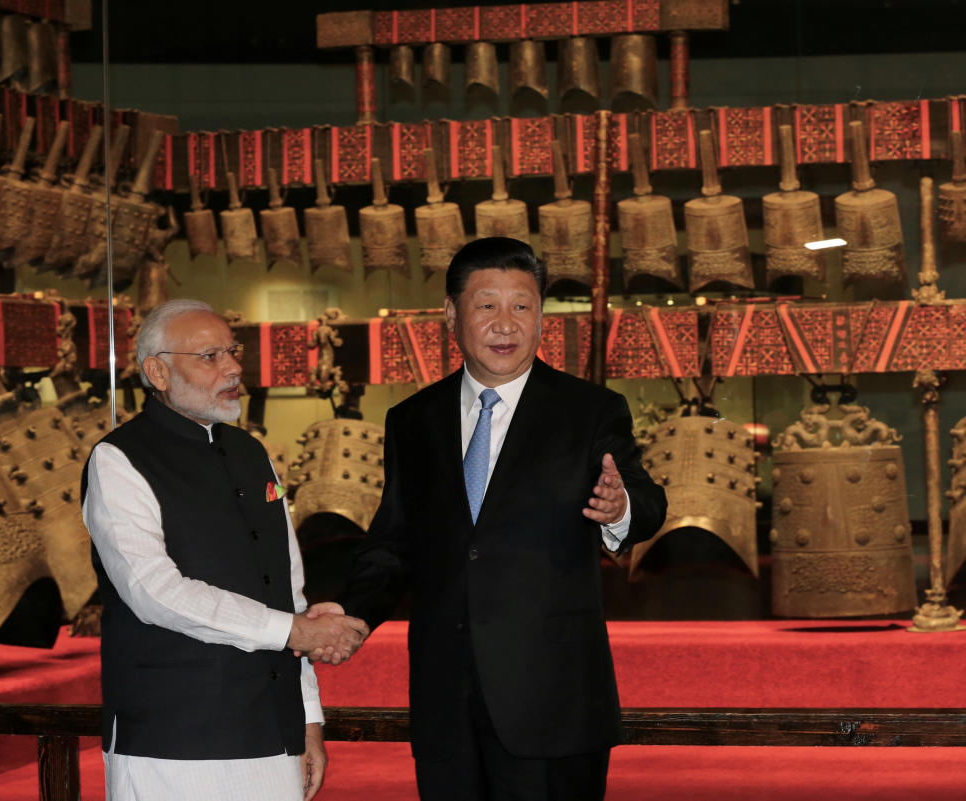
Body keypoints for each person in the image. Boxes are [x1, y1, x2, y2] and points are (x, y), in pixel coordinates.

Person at [310, 238, 668, 800]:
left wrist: (619, 510)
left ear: (541, 317)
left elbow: (647, 502)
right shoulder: (413, 420)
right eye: (487, 305)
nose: (506, 323)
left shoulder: (589, 410)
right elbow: (394, 540)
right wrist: (355, 615)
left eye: (522, 306)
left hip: (551, 701)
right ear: (451, 313)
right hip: (446, 700)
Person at [82, 298, 368, 801]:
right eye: (210, 356)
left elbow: (288, 591)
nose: (234, 367)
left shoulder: (250, 451)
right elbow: (155, 591)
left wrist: (309, 722)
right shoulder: (119, 459)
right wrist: (294, 630)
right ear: (158, 371)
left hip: (274, 731)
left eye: (232, 352)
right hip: (174, 740)